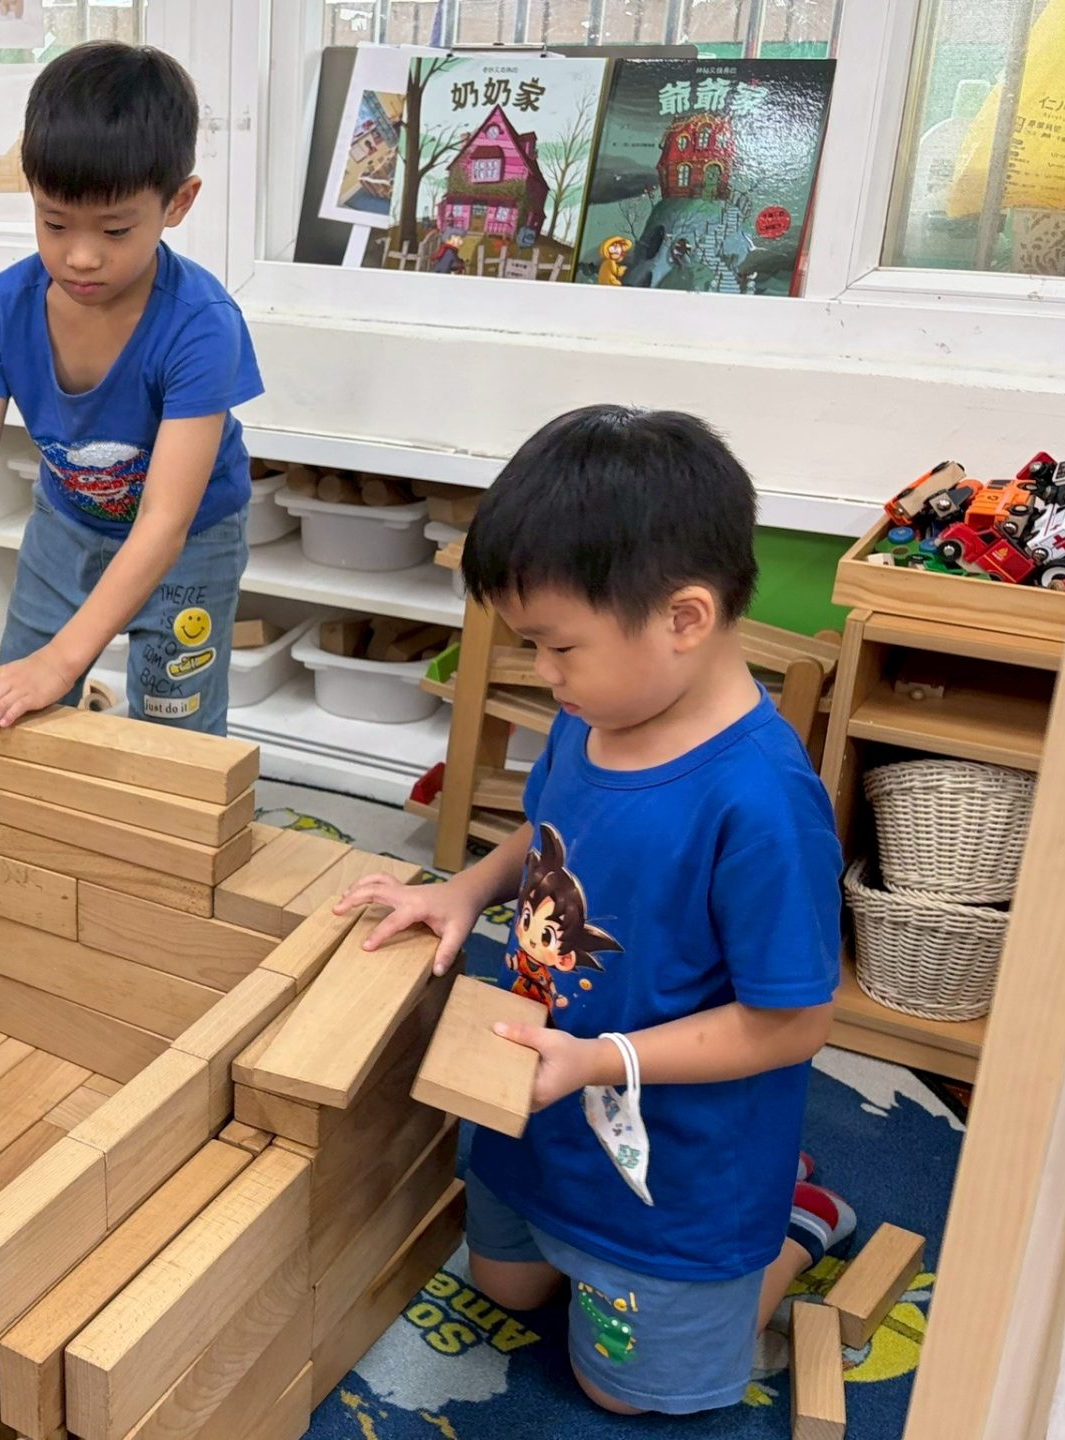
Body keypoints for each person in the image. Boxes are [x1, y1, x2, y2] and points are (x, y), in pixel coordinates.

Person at [337, 406, 857, 1417]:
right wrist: (460, 889)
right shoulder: (598, 711)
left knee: (619, 1393)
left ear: (684, 619)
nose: (544, 672)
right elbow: (548, 837)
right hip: (541, 1111)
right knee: (503, 1287)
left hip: (673, 1171)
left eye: (559, 646)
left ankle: (791, 1223)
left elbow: (795, 1024)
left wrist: (599, 1060)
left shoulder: (764, 806)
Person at [0, 41, 262, 733]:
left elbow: (165, 522)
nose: (81, 256)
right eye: (54, 223)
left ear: (178, 203)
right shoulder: (6, 306)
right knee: (14, 707)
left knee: (173, 733)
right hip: (65, 526)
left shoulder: (202, 325)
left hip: (191, 542)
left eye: (115, 230)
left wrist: (63, 662)